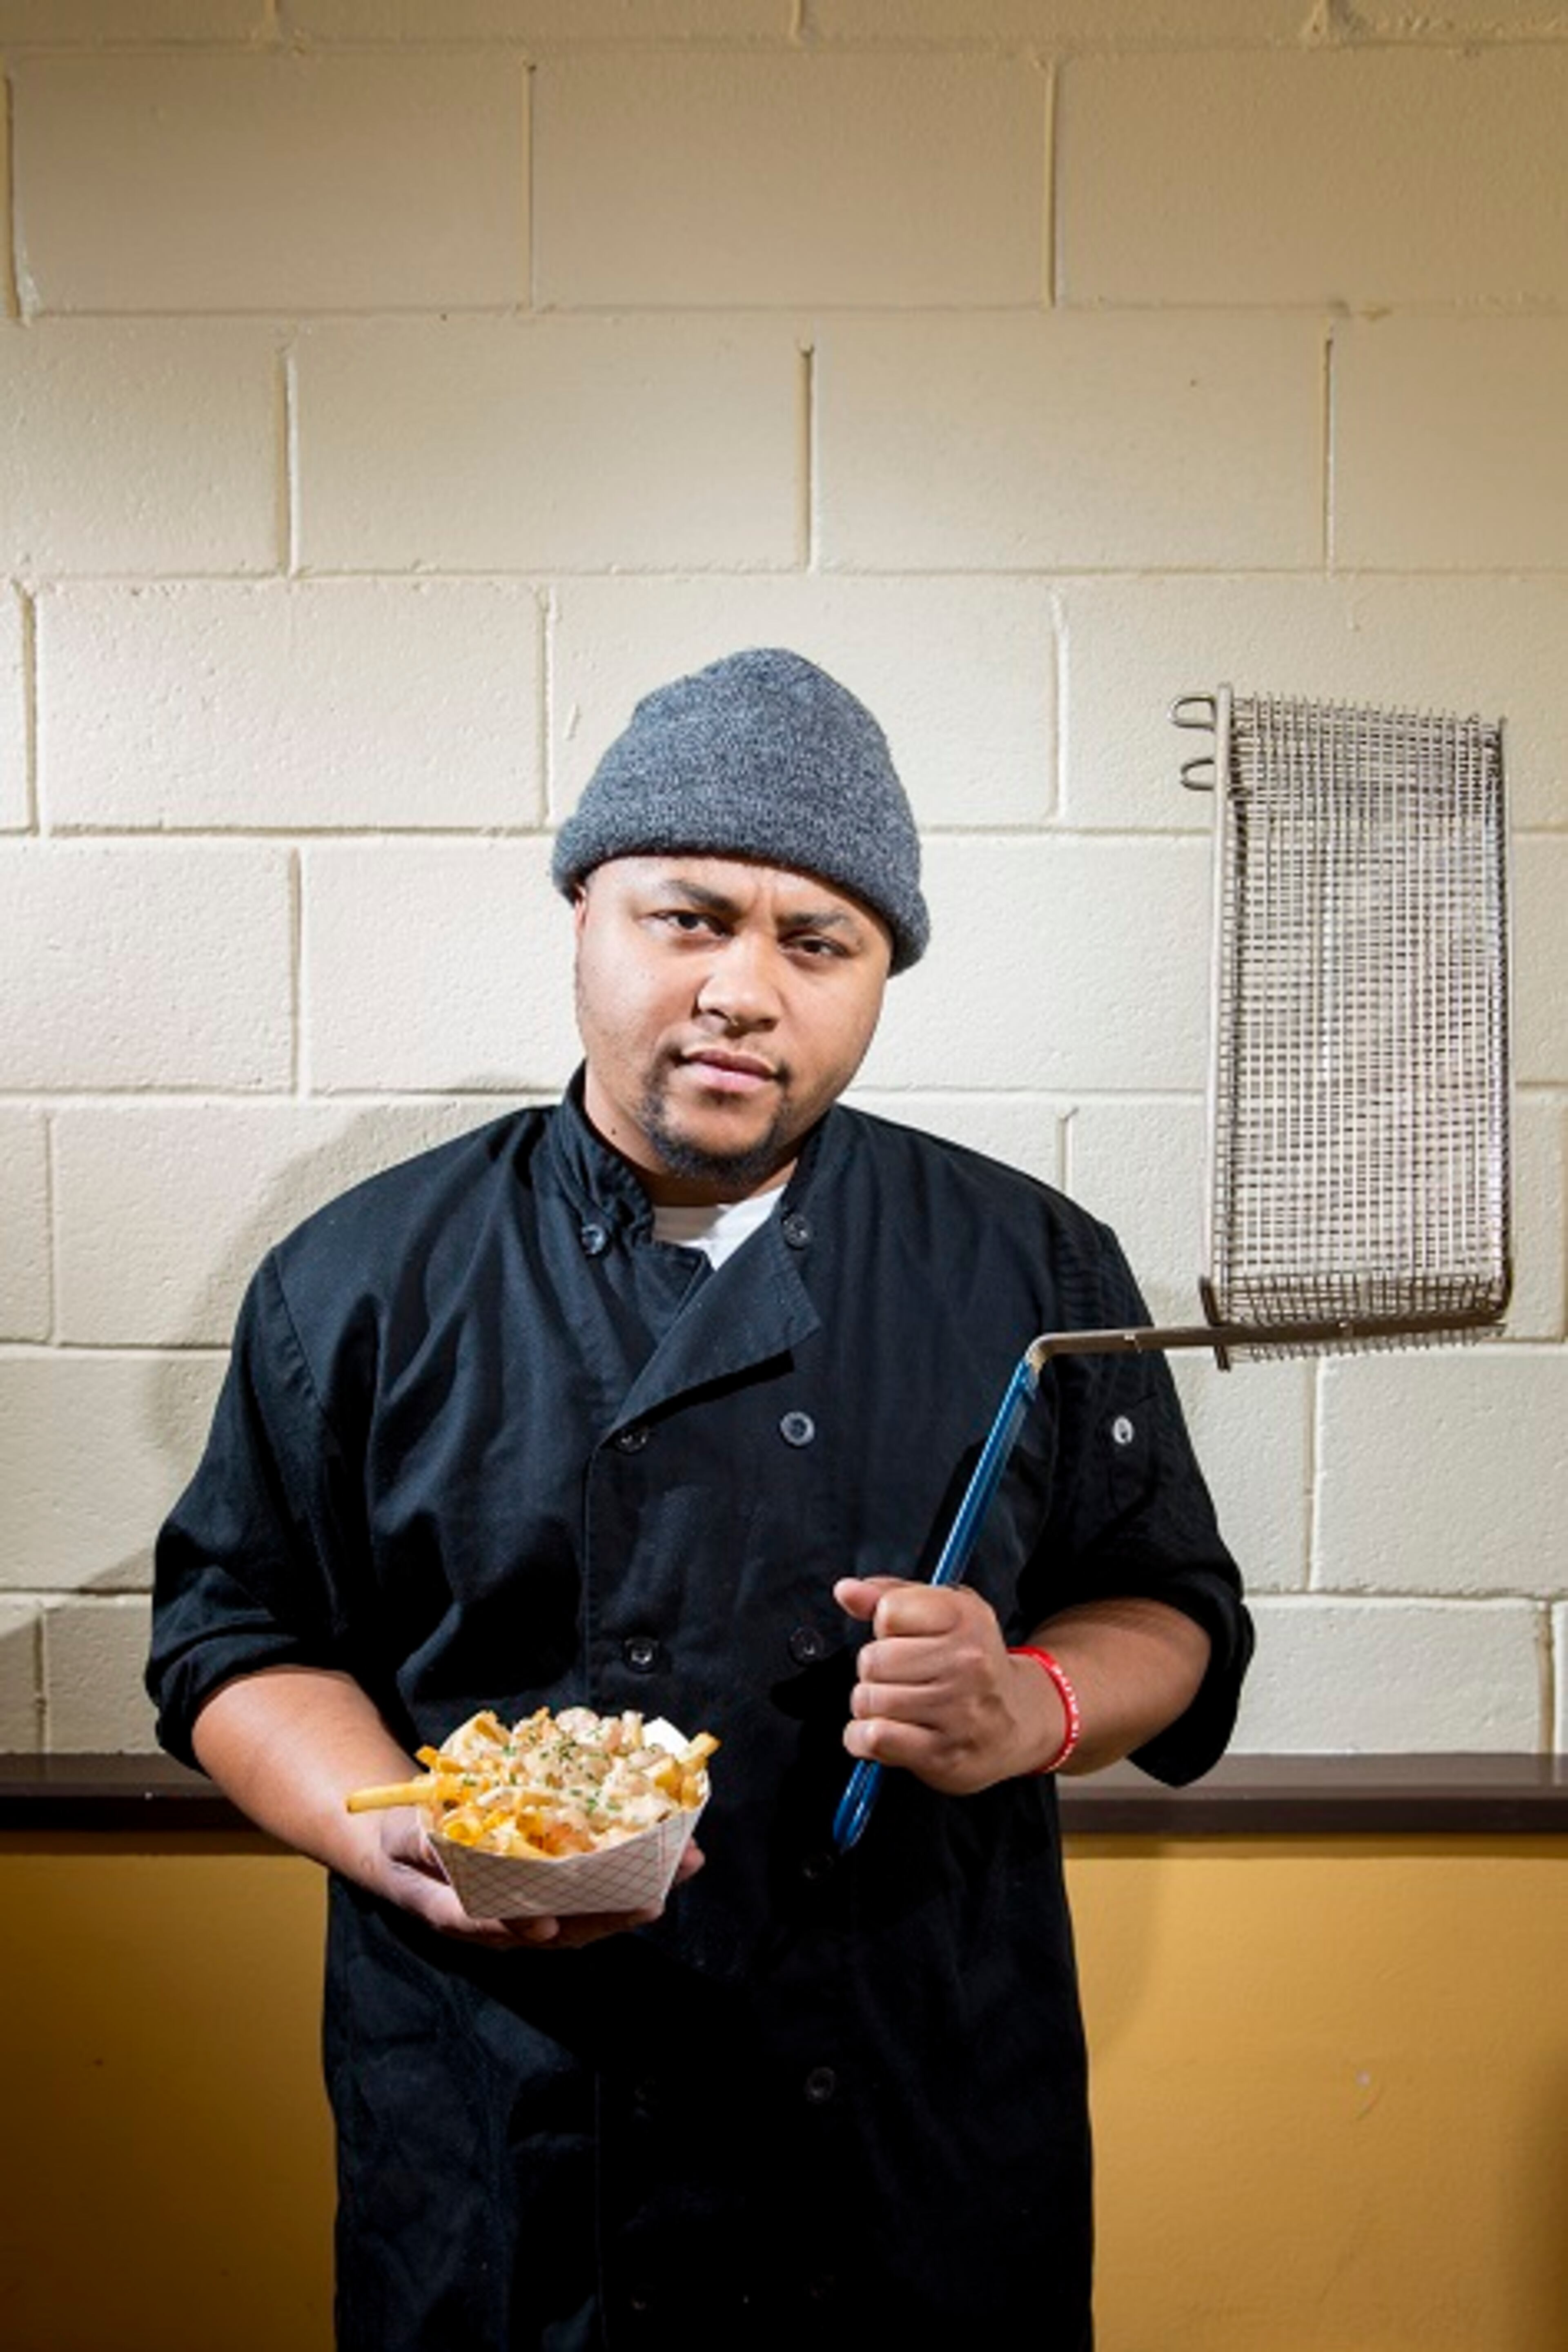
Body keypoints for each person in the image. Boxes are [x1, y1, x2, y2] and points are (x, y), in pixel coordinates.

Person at [149, 648, 1252, 2351]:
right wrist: (397, 1829)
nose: (746, 989)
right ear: (586, 911)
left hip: (902, 2119)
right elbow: (238, 1637)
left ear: (881, 977)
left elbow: (1169, 1607)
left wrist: (1029, 1702)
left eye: (819, 943)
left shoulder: (1028, 1267)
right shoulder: (364, 1277)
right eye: (690, 919)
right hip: (509, 2122)